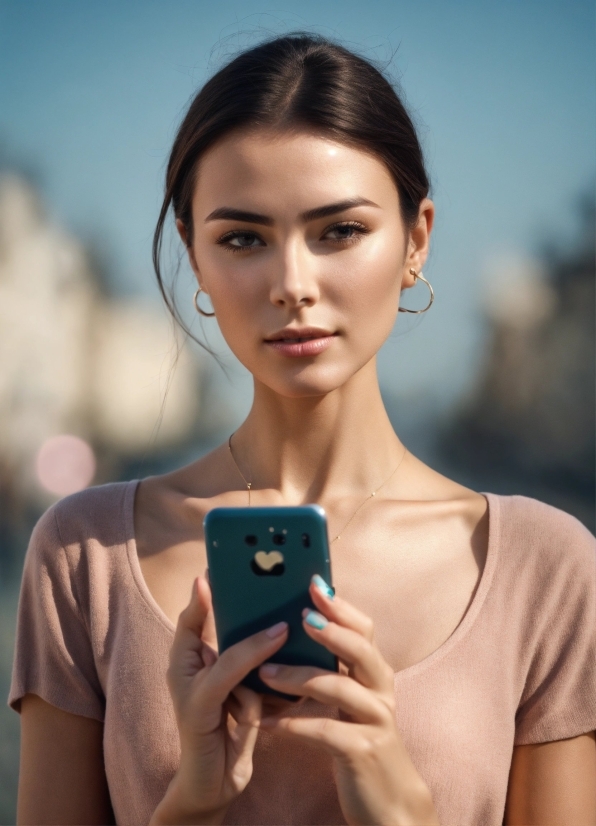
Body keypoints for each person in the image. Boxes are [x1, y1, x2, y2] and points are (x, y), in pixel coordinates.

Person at [9, 34, 596, 826]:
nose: (292, 284)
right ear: (195, 255)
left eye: (340, 231)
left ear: (416, 240)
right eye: (243, 238)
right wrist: (187, 810)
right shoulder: (84, 554)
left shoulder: (545, 569)